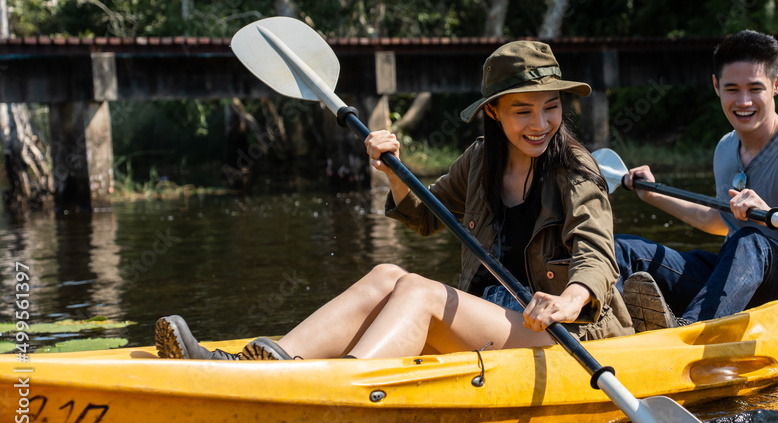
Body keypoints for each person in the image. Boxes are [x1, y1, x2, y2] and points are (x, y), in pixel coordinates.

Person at [155, 40, 632, 361]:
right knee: (388, 274)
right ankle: (262, 365)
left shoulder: (577, 170)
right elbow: (425, 215)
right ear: (493, 111)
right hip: (495, 314)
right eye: (522, 110)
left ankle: (344, 391)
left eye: (551, 107)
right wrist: (393, 171)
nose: (540, 123)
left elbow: (597, 256)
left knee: (421, 293)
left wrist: (568, 302)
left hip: (564, 332)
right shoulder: (481, 158)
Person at [616, 30, 778, 330]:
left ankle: (687, 334)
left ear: (777, 85)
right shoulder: (724, 148)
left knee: (751, 240)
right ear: (716, 86)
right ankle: (608, 329)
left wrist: (772, 216)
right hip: (739, 278)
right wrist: (654, 195)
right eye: (732, 89)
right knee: (626, 251)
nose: (743, 101)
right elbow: (720, 221)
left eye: (754, 88)